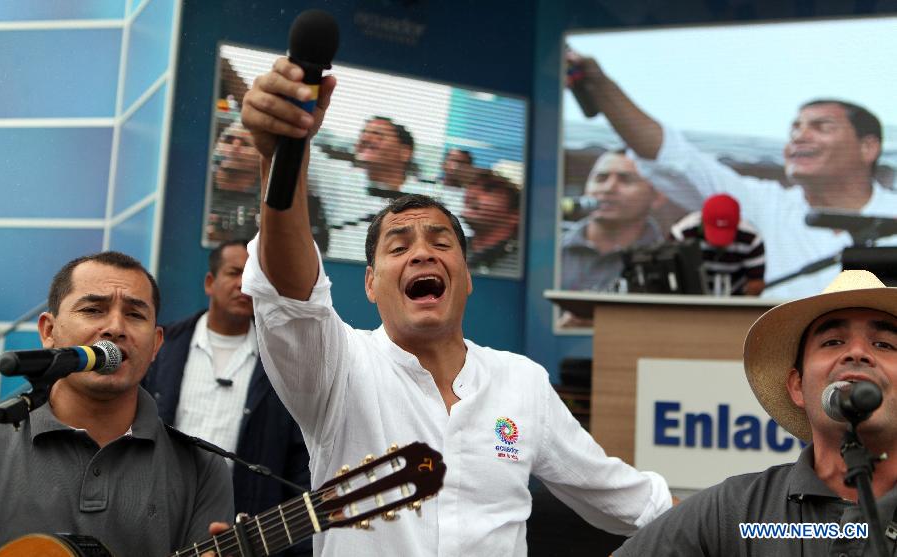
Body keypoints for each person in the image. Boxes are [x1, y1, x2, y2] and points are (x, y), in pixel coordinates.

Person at [238, 57, 672, 556]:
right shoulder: (338, 367)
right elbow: (292, 296)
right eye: (399, 247)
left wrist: (762, 529)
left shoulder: (521, 382)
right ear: (371, 285)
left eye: (440, 242)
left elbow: (634, 502)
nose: (422, 252)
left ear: (465, 278)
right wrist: (282, 159)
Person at [566, 50, 897, 299]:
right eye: (794, 128)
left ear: (868, 147)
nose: (799, 136)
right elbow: (672, 157)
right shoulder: (762, 204)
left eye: (820, 127)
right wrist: (600, 86)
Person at [615, 268, 897, 556]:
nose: (858, 353)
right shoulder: (734, 510)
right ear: (797, 387)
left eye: (884, 344)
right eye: (833, 342)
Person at [0, 252, 233, 556]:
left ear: (156, 345)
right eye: (93, 309)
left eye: (135, 315)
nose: (115, 328)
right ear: (48, 331)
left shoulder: (202, 469)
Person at [143, 241, 311, 556]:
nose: (244, 284)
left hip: (238, 534)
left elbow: (300, 464)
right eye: (235, 273)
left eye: (254, 277)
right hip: (157, 520)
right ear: (210, 282)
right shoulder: (161, 348)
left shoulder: (282, 363)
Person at [310, 116, 465, 262]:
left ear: (405, 152)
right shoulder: (339, 178)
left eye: (378, 135)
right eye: (363, 133)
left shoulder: (433, 195)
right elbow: (304, 149)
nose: (365, 139)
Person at [207, 121, 329, 253]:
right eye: (228, 140)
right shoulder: (200, 189)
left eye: (245, 144)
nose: (234, 148)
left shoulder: (279, 200)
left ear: (263, 156)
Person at [561, 150, 664, 293]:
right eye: (600, 178)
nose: (608, 188)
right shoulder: (551, 247)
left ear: (657, 197)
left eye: (626, 180)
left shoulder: (665, 260)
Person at [669, 193, 766, 296]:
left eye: (725, 234)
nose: (719, 244)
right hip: (688, 300)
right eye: (715, 233)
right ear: (702, 220)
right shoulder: (682, 233)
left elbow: (756, 282)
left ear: (738, 223)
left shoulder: (751, 239)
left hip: (735, 299)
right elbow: (670, 275)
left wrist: (741, 307)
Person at [463, 169, 521, 275]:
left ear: (515, 214)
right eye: (472, 186)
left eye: (488, 189)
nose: (470, 195)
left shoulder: (519, 266)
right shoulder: (453, 249)